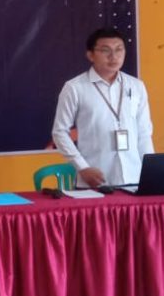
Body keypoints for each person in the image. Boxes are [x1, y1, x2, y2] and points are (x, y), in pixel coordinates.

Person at [51, 27, 154, 187]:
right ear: (90, 55)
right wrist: (82, 168)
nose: (113, 56)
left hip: (134, 178)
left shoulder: (136, 86)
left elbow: (144, 132)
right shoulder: (74, 88)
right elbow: (59, 132)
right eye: (105, 50)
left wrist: (151, 171)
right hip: (94, 180)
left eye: (119, 49)